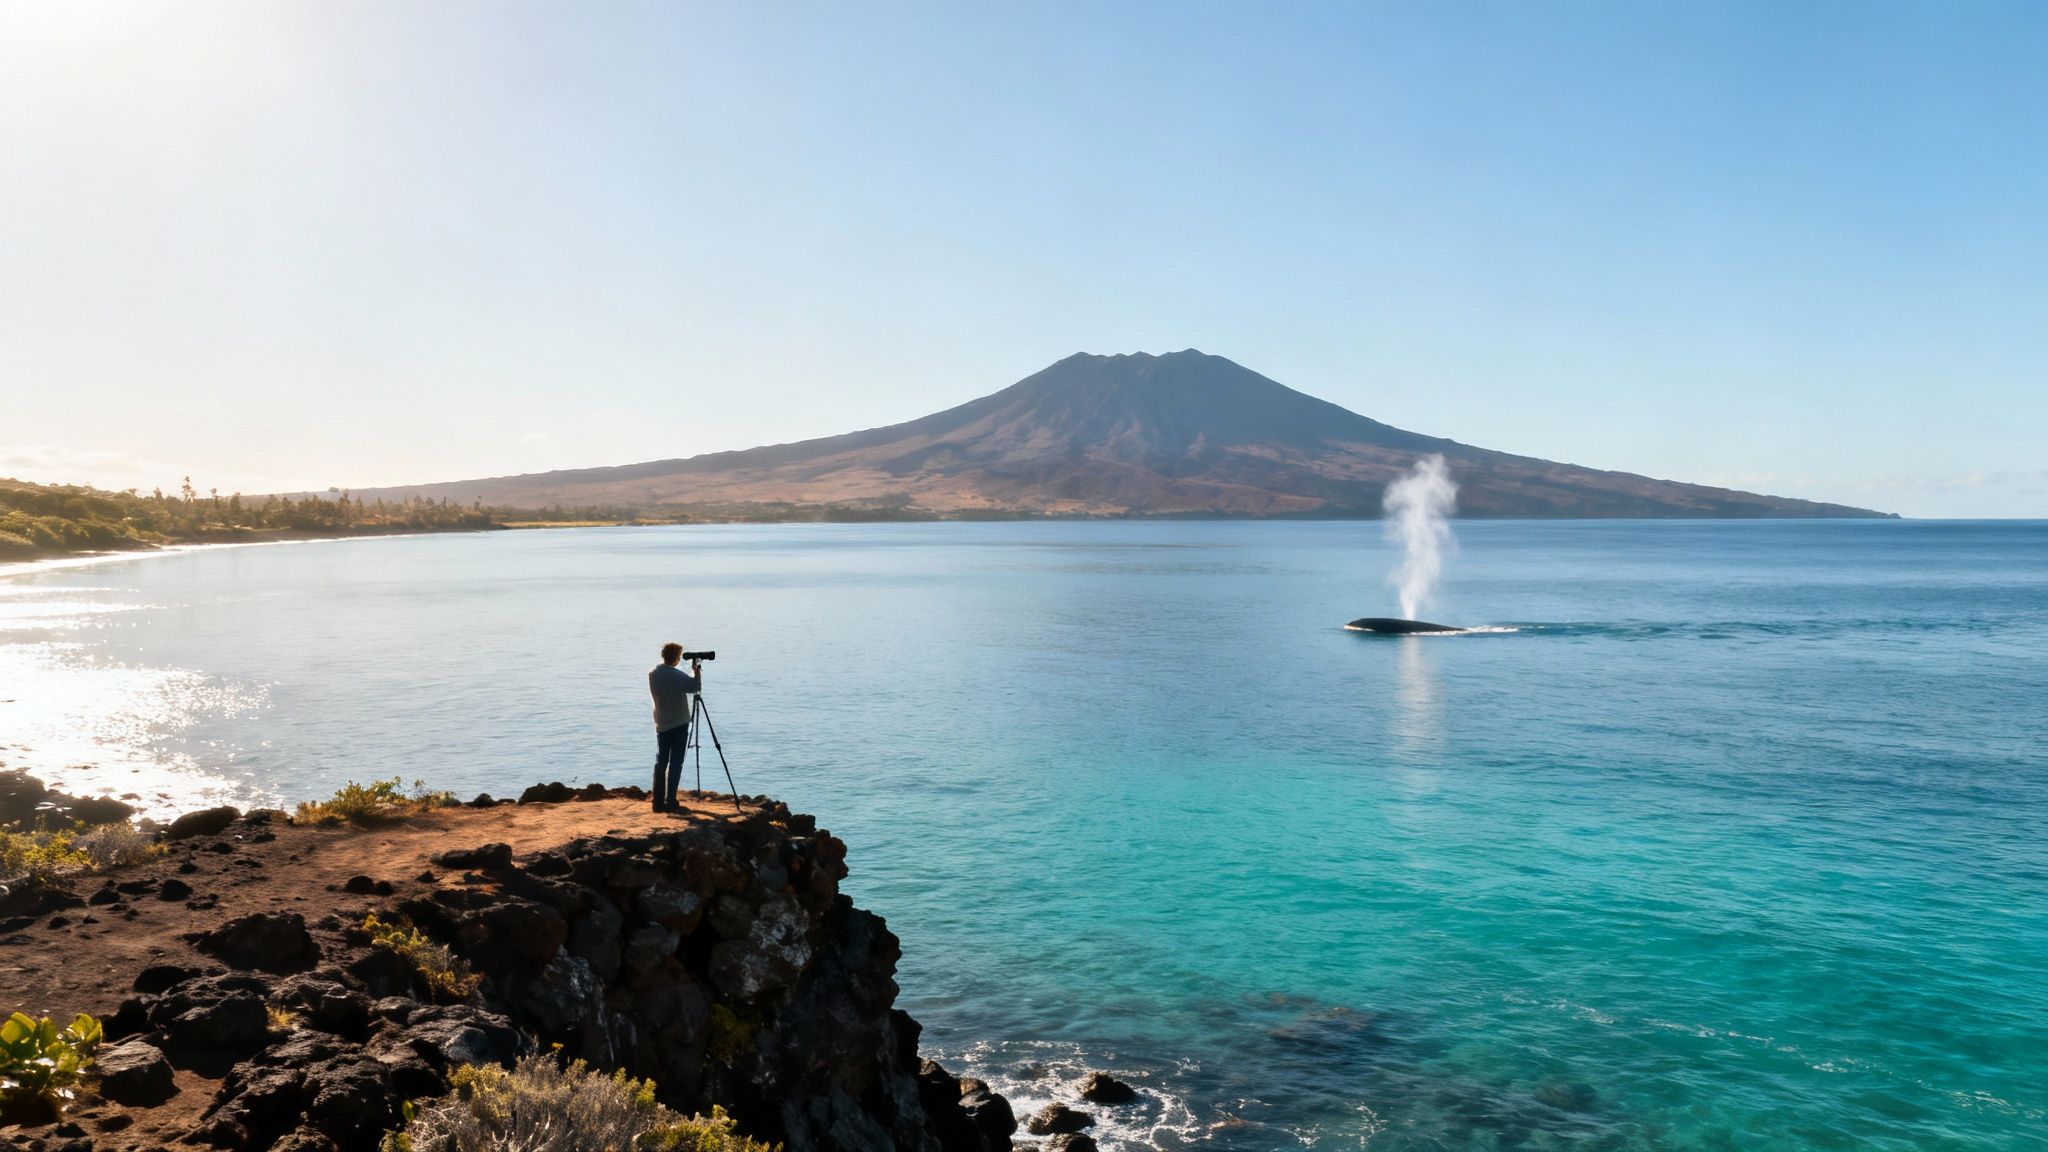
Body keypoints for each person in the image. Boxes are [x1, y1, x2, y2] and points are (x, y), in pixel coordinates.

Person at [648, 642, 701, 812]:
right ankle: (670, 800)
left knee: (661, 762)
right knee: (676, 763)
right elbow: (695, 687)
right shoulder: (677, 675)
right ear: (676, 657)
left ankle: (657, 802)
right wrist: (697, 671)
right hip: (679, 724)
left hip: (662, 724)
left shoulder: (653, 674)